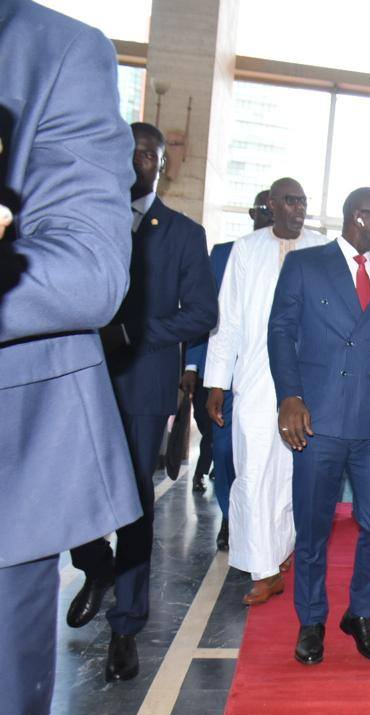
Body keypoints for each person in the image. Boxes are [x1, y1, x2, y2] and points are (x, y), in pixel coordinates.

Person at [0, 3, 144, 712]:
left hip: (53, 425)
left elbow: (91, 275)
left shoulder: (49, 52)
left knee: (136, 520)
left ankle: (126, 619)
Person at [65, 121, 217, 682]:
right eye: (125, 153)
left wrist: (135, 333)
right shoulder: (87, 219)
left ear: (162, 164)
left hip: (142, 383)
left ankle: (125, 627)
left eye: (147, 154)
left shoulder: (181, 232)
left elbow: (202, 313)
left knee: (132, 507)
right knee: (67, 489)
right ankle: (95, 566)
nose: (136, 163)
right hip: (78, 378)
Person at [268, 187, 370, 666]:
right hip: (319, 420)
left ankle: (361, 614)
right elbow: (281, 332)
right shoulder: (306, 266)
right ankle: (311, 620)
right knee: (313, 528)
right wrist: (289, 395)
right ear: (359, 217)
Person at [204, 177, 327, 605]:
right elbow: (229, 319)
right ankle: (264, 568)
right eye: (290, 200)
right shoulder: (246, 249)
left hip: (309, 381)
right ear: (271, 205)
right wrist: (218, 381)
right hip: (255, 381)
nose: (298, 208)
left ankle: (282, 549)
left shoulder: (321, 248)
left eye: (303, 201)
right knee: (254, 471)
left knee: (296, 474)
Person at [185, 191, 271, 550]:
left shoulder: (298, 255)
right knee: (222, 451)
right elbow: (204, 312)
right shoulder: (224, 253)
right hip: (222, 376)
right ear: (252, 213)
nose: (270, 214)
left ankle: (254, 523)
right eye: (264, 209)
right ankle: (230, 516)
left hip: (268, 378)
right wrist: (193, 363)